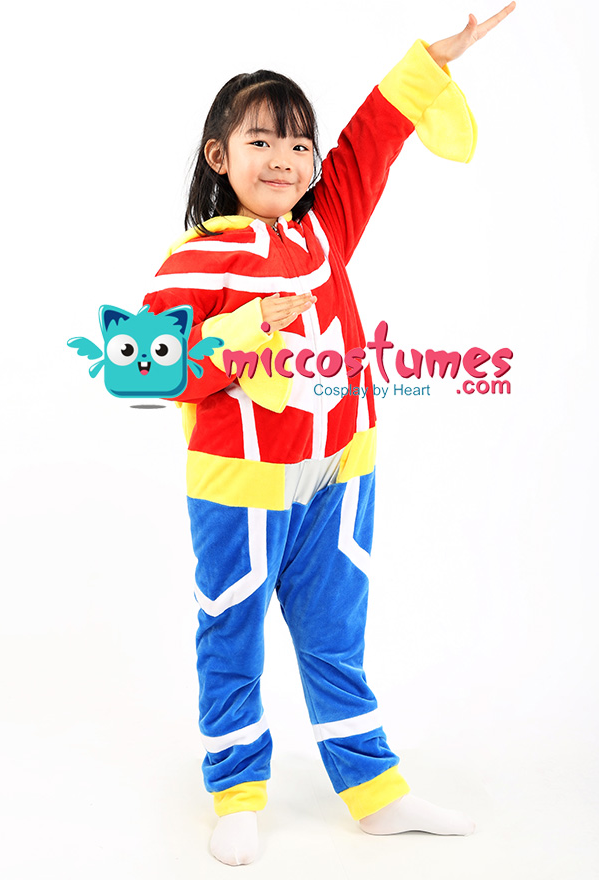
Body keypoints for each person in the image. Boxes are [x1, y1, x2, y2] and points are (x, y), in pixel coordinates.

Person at [143, 4, 516, 865]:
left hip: (341, 469)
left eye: (298, 143)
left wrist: (432, 62)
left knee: (336, 635)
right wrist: (246, 330)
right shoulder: (191, 261)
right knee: (232, 632)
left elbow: (372, 140)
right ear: (219, 156)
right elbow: (154, 371)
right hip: (242, 482)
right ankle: (237, 793)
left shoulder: (325, 227)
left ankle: (374, 791)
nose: (284, 157)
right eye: (261, 140)